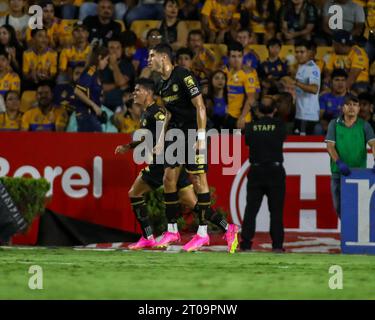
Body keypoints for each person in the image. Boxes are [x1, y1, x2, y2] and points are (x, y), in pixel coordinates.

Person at [148, 43, 239, 253]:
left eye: (152, 56)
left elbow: (200, 105)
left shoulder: (183, 75)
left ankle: (203, 233)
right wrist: (161, 138)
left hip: (193, 133)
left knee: (198, 181)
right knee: (168, 178)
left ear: (163, 58)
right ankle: (172, 230)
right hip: (176, 135)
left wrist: (200, 137)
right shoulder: (160, 84)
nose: (148, 59)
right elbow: (168, 113)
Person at [114, 78, 198, 249]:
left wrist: (160, 144)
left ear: (148, 93)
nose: (134, 93)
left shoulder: (157, 111)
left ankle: (149, 236)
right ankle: (227, 227)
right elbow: (149, 135)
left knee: (134, 193)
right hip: (167, 161)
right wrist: (129, 146)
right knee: (192, 202)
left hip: (163, 162)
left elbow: (163, 125)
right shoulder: (146, 113)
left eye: (137, 90)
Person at [240, 96, 287, 252]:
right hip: (275, 172)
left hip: (256, 171)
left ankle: (246, 245)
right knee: (276, 212)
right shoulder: (280, 126)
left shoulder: (251, 127)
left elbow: (241, 129)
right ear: (274, 110)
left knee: (251, 210)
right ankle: (278, 246)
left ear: (259, 110)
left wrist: (249, 112)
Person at [325, 94, 375, 217]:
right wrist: (339, 162)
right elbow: (330, 146)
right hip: (338, 172)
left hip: (359, 174)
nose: (351, 107)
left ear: (358, 109)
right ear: (343, 108)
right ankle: (348, 233)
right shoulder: (334, 124)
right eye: (348, 104)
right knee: (338, 207)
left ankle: (355, 234)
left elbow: (373, 144)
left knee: (359, 208)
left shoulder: (365, 125)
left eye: (355, 105)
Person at [223, 41, 258, 130]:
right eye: (233, 56)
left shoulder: (248, 74)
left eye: (239, 56)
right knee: (225, 144)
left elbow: (251, 98)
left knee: (239, 144)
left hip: (242, 119)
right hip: (227, 116)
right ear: (228, 57)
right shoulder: (225, 72)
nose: (236, 59)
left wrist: (242, 117)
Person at [74, 45, 109, 132]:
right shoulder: (90, 71)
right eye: (106, 60)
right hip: (86, 115)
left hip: (91, 116)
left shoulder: (96, 73)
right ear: (100, 57)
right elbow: (77, 91)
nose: (107, 62)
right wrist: (94, 106)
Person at [289, 39, 321, 135]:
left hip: (308, 115)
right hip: (300, 113)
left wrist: (296, 83)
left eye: (302, 52)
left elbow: (314, 89)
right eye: (297, 52)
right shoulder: (300, 66)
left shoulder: (313, 68)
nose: (299, 54)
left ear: (309, 53)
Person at [101, 36, 135, 111]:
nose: (115, 51)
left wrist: (114, 63)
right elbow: (100, 86)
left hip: (122, 100)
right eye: (112, 48)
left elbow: (120, 82)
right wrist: (118, 85)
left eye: (118, 48)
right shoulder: (101, 64)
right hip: (103, 100)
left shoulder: (127, 65)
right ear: (107, 50)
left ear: (122, 50)